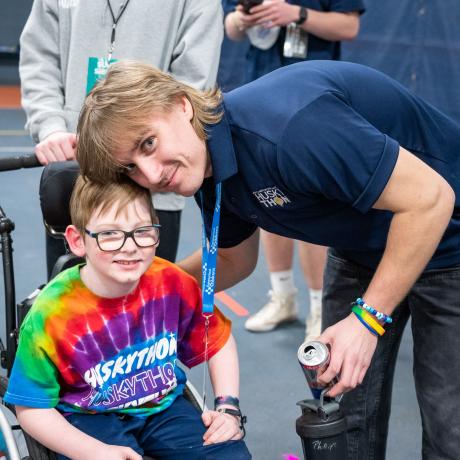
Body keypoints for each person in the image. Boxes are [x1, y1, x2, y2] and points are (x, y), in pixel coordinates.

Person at [76, 59, 460, 460]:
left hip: (448, 238)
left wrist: (368, 318)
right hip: (360, 248)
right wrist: (134, 290)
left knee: (449, 427)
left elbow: (430, 200)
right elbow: (231, 260)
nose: (152, 175)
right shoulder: (205, 170)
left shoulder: (290, 129)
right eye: (132, 167)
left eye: (148, 143)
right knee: (343, 422)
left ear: (181, 105)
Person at [3, 176, 250, 460]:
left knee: (230, 454)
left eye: (142, 231)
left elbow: (218, 343)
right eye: (109, 234)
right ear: (77, 240)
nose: (129, 246)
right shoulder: (52, 314)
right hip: (87, 417)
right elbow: (31, 409)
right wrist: (93, 451)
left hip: (162, 408)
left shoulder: (171, 283)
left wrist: (228, 408)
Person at [19, 0, 223, 277]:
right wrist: (51, 127)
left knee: (145, 311)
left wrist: (139, 147)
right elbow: (39, 58)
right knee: (68, 309)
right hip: (76, 181)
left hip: (153, 195)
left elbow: (189, 86)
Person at [222, 0, 363, 338]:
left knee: (310, 199)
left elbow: (349, 27)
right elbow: (230, 27)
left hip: (312, 99)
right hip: (257, 92)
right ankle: (283, 296)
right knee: (265, 193)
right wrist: (243, 20)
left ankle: (320, 308)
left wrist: (297, 15)